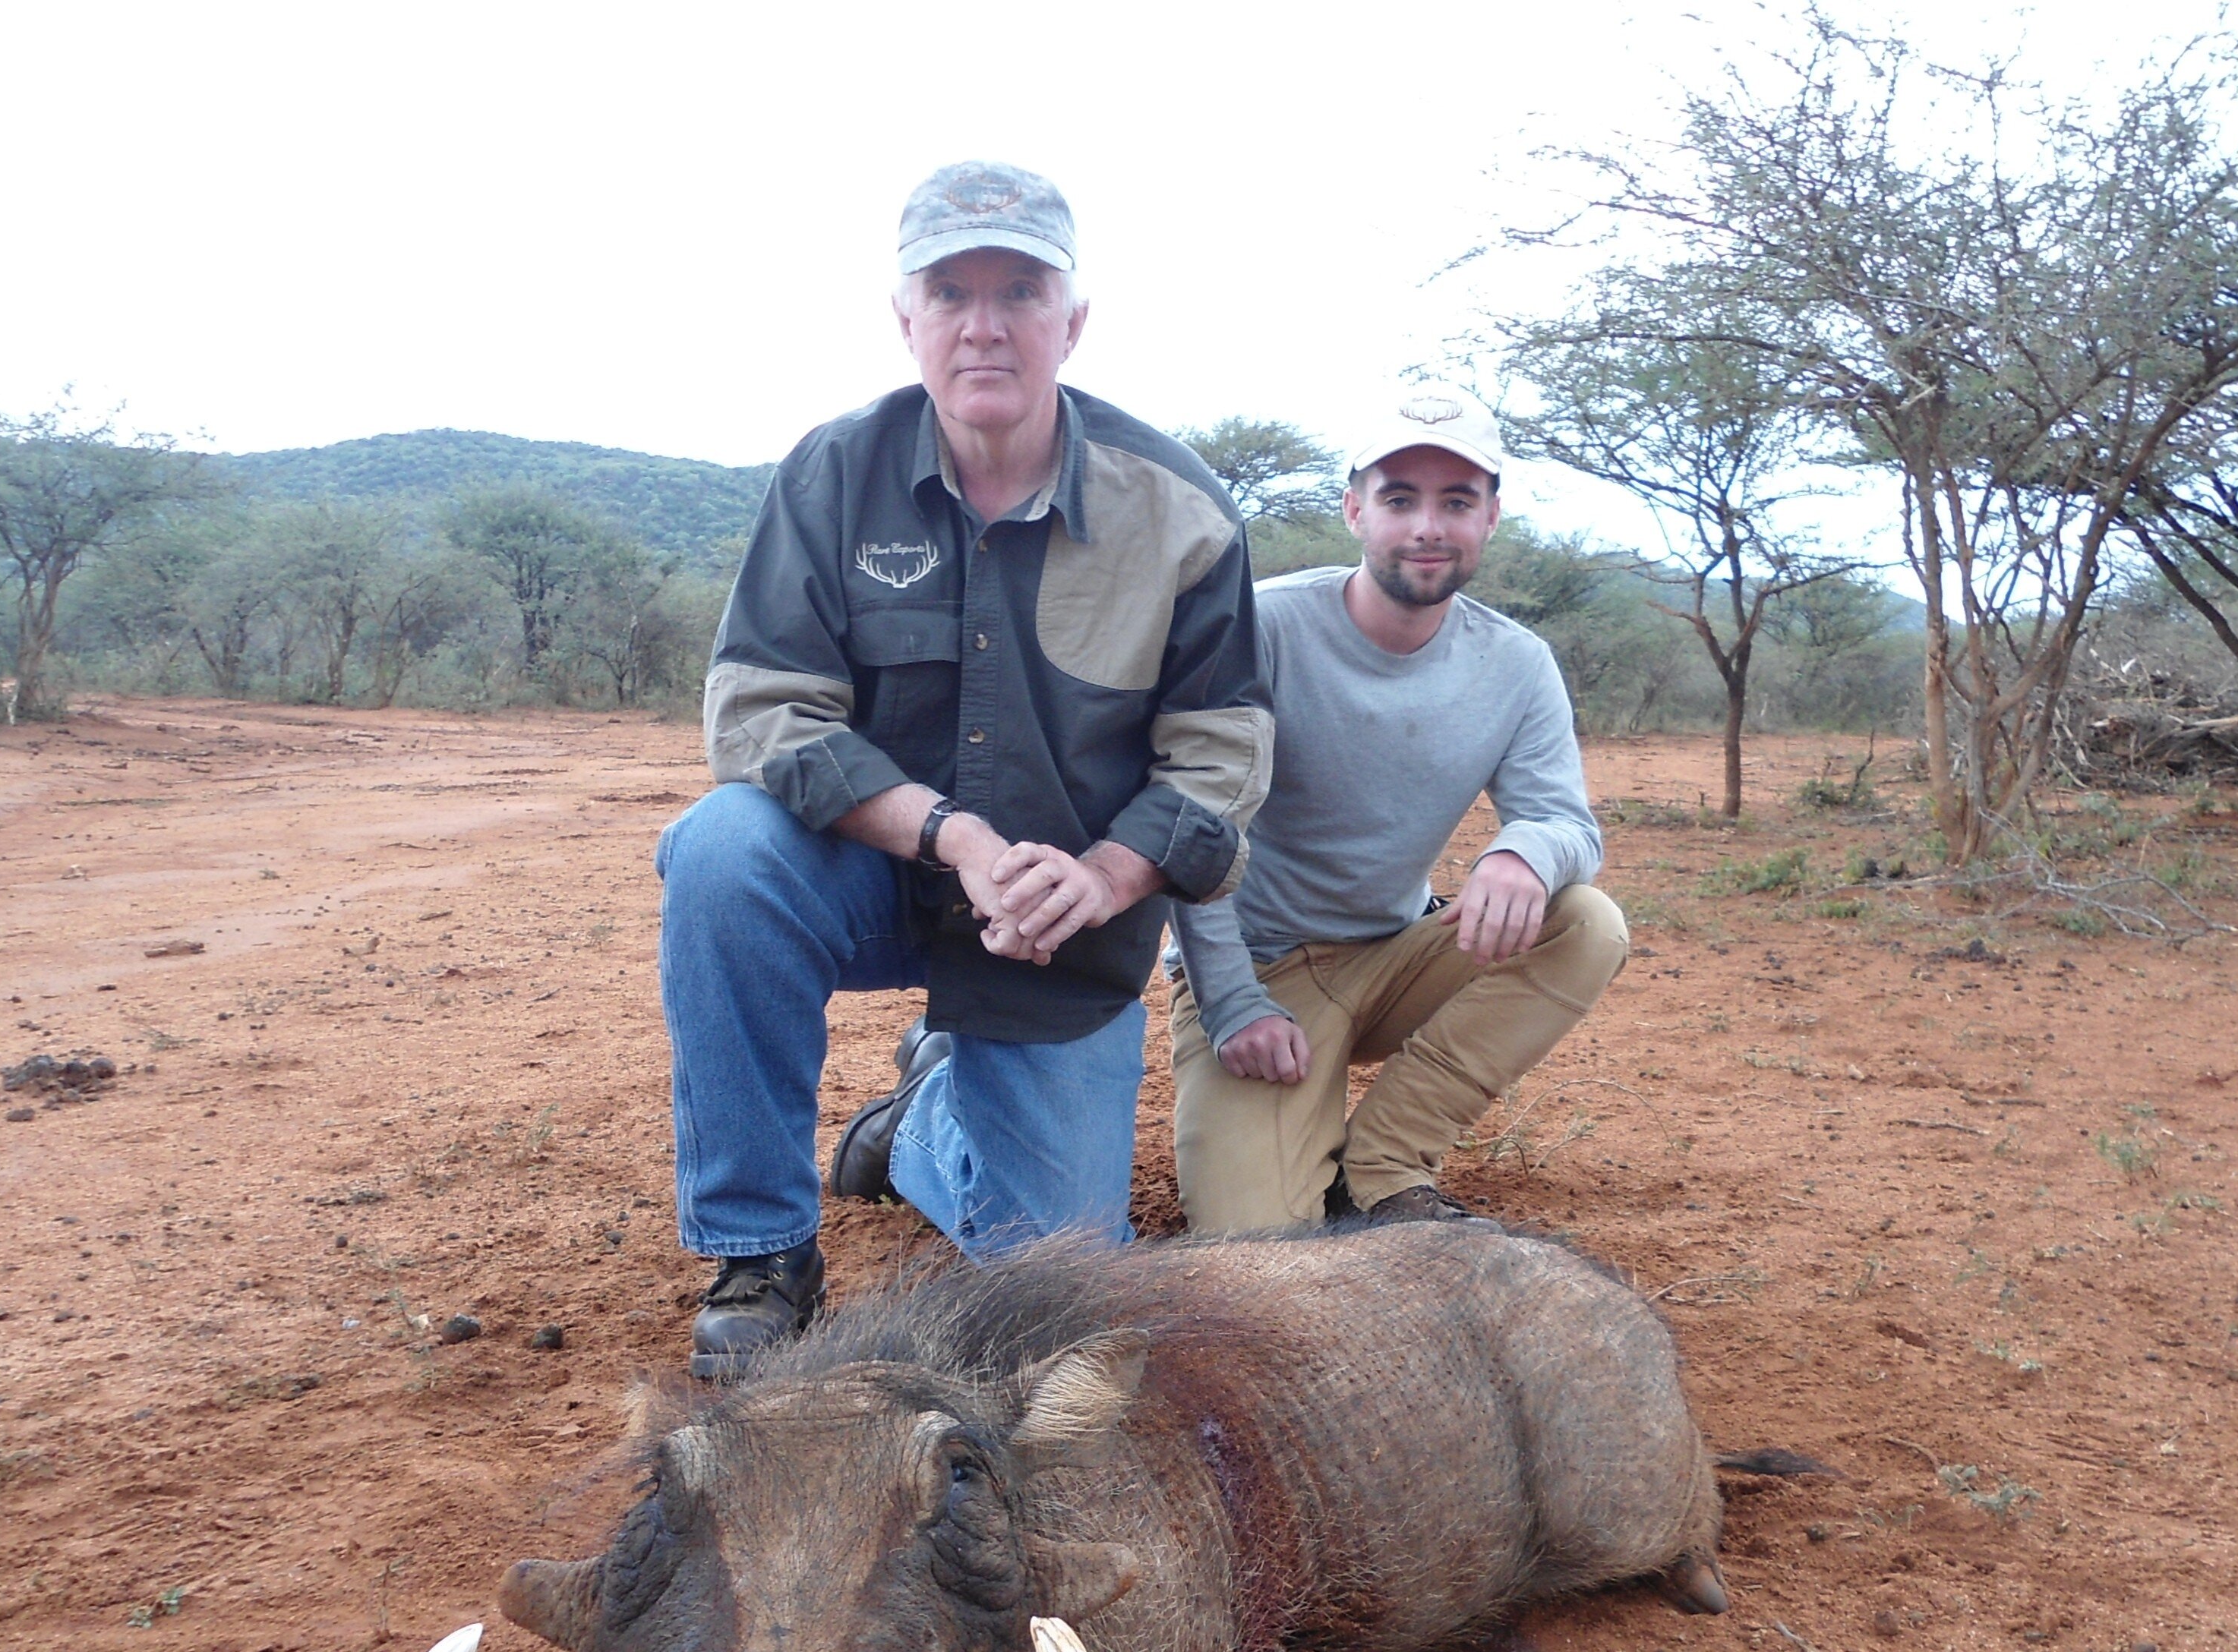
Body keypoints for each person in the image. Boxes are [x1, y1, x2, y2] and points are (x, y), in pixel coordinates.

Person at [658, 161, 1269, 1378]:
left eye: (1020, 290)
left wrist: (1099, 878)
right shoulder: (832, 475)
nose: (983, 324)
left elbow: (1223, 753)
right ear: (907, 319)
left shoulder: (1182, 510)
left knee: (1059, 1288)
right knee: (723, 850)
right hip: (875, 877)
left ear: (1072, 321)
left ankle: (925, 1122)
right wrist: (956, 839)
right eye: (950, 291)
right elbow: (759, 707)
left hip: (1062, 921)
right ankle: (763, 1250)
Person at [1166, 386, 1625, 1232]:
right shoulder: (1260, 628)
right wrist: (1230, 1000)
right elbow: (1188, 826)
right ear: (1353, 510)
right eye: (1399, 499)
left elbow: (1567, 823)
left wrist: (1519, 852)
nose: (1427, 528)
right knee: (1258, 1254)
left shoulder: (1517, 664)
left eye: (1456, 502)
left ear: (1490, 517)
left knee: (1586, 922)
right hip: (1259, 974)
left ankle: (1380, 1167)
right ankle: (923, 1118)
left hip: (1395, 954)